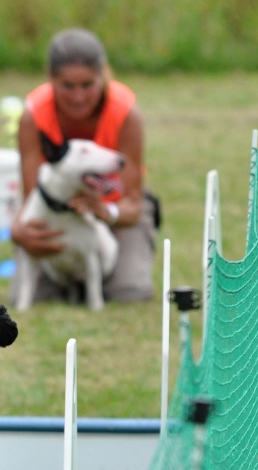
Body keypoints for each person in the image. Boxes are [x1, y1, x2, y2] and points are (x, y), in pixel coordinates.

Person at [9, 28, 158, 305]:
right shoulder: (33, 116)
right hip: (55, 213)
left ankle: (107, 270)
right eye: (67, 86)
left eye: (88, 85)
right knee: (34, 297)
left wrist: (105, 212)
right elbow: (31, 198)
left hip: (116, 212)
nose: (78, 97)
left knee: (129, 293)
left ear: (103, 75)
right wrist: (18, 231)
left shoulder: (125, 113)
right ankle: (71, 279)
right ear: (50, 77)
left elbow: (133, 203)